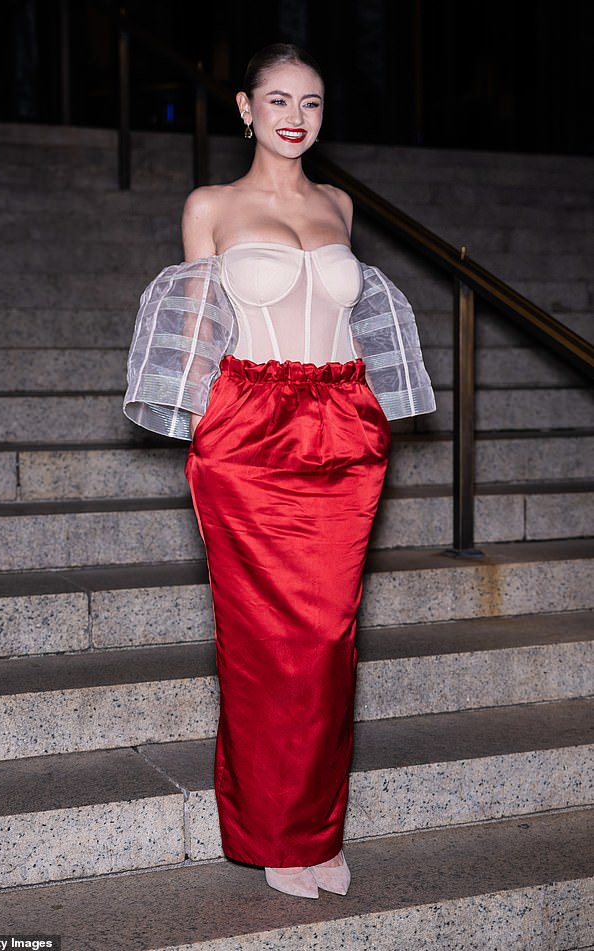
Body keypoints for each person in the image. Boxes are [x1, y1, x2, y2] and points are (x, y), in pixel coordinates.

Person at [124, 43, 435, 899]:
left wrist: (367, 414)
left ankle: (315, 829)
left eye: (313, 102)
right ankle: (275, 836)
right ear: (244, 109)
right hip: (250, 437)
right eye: (279, 100)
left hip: (342, 429)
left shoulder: (337, 202)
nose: (297, 116)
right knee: (265, 645)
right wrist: (203, 429)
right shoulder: (211, 206)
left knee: (329, 641)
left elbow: (355, 320)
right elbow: (194, 335)